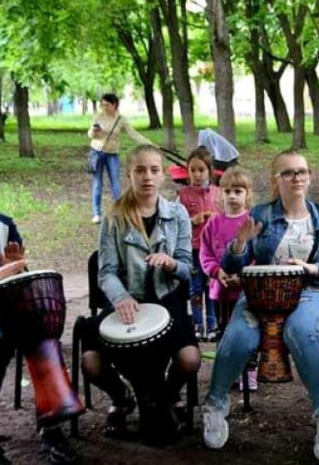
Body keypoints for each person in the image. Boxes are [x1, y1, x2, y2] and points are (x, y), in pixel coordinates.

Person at [203, 149, 319, 461]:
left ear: (309, 176)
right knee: (238, 337)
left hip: (315, 292)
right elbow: (234, 265)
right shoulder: (260, 214)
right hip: (262, 295)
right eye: (289, 172)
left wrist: (311, 269)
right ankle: (215, 405)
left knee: (299, 329)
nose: (297, 177)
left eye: (302, 171)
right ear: (277, 180)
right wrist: (240, 244)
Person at [80, 145, 200, 447]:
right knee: (91, 363)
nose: (147, 177)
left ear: (163, 175)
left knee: (189, 359)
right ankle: (123, 398)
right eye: (140, 170)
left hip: (167, 302)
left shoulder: (178, 214)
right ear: (129, 174)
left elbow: (188, 268)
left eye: (154, 170)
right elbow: (106, 272)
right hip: (125, 303)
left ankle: (167, 398)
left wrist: (171, 264)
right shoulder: (115, 217)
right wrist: (120, 298)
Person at [0, 154, 77, 465]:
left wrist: (15, 267)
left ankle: (51, 426)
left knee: (41, 332)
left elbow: (17, 275)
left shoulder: (4, 225)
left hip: (1, 305)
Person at [199, 166, 259, 390]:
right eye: (227, 191)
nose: (232, 196)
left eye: (238, 191)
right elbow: (205, 254)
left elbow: (258, 255)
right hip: (220, 291)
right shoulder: (213, 224)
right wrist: (216, 272)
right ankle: (229, 370)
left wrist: (244, 276)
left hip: (247, 292)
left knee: (249, 329)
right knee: (224, 331)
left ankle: (250, 371)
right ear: (220, 194)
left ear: (248, 194)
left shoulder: (252, 222)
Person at [87, 93, 154, 225]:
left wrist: (148, 143)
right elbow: (90, 134)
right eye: (103, 105)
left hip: (112, 154)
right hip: (97, 152)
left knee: (115, 184)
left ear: (115, 105)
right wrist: (94, 132)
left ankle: (119, 211)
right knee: (97, 183)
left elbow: (133, 134)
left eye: (107, 105)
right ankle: (96, 213)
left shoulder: (121, 119)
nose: (104, 107)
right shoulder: (98, 117)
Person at [177, 146, 222, 342]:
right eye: (192, 170)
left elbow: (228, 219)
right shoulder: (182, 195)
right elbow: (175, 222)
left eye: (201, 170)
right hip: (193, 249)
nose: (196, 174)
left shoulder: (219, 194)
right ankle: (197, 324)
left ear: (209, 171)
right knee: (195, 288)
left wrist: (216, 219)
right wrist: (191, 221)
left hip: (213, 251)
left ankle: (212, 324)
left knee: (212, 285)